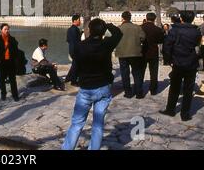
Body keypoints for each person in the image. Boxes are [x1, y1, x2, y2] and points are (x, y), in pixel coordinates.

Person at [61, 19, 122, 150]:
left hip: (85, 89)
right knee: (98, 125)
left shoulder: (79, 46)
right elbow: (118, 34)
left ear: (89, 30)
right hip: (103, 88)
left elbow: (75, 61)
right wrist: (109, 25)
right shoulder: (106, 44)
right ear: (103, 31)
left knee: (77, 124)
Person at [160, 11, 202, 121]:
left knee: (174, 87)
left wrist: (168, 60)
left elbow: (167, 46)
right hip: (191, 62)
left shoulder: (175, 30)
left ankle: (170, 109)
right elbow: (197, 46)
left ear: (182, 19)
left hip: (178, 62)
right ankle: (185, 114)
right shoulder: (197, 31)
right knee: (188, 89)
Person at [115, 11, 146, 99]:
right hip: (135, 53)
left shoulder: (119, 28)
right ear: (130, 18)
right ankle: (139, 93)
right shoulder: (137, 27)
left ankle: (128, 92)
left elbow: (110, 36)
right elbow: (143, 37)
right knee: (137, 73)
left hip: (122, 53)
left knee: (124, 73)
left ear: (122, 18)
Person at [0, 23, 20, 101]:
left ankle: (15, 96)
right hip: (2, 62)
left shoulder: (12, 39)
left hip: (11, 62)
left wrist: (16, 60)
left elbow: (16, 51)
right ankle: (3, 95)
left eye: (8, 29)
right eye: (5, 29)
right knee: (1, 79)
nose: (7, 31)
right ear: (1, 30)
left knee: (12, 80)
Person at [141, 13, 165, 95]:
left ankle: (139, 88)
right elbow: (161, 40)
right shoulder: (157, 29)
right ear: (154, 19)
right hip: (153, 51)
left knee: (140, 71)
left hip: (142, 51)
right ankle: (153, 89)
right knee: (154, 72)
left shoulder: (140, 28)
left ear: (146, 18)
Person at [66, 14, 82, 86]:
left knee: (74, 65)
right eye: (79, 20)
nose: (80, 21)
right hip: (75, 50)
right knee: (76, 66)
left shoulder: (70, 29)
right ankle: (73, 81)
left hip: (72, 49)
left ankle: (68, 78)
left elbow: (68, 40)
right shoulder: (75, 29)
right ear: (75, 21)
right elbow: (76, 41)